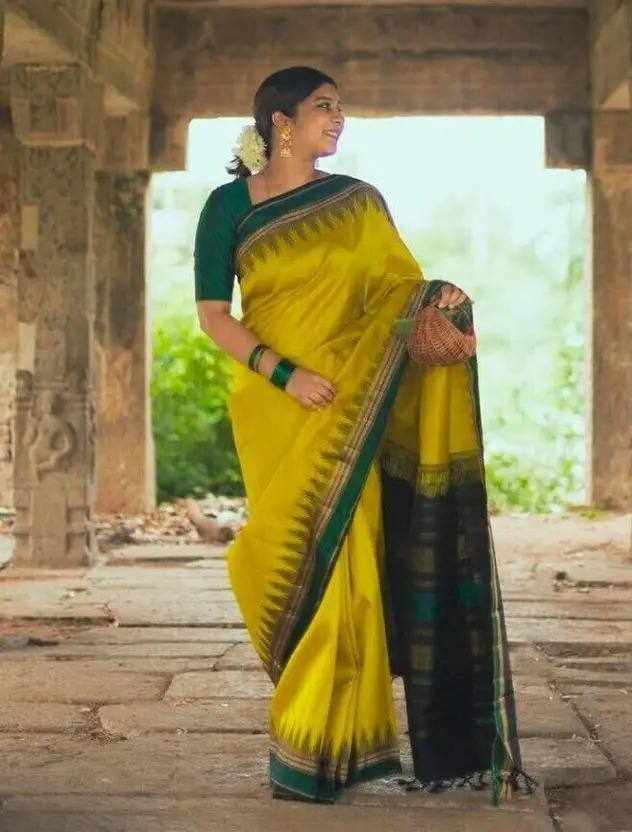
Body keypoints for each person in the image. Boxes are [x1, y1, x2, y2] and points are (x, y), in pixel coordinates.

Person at [193, 65, 538, 806]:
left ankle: (317, 749)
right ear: (280, 122)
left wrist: (437, 300)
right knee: (279, 558)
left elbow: (396, 292)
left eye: (340, 108)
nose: (338, 118)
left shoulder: (358, 201)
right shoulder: (228, 207)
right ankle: (318, 736)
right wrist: (285, 374)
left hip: (351, 397)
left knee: (347, 563)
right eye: (324, 107)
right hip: (277, 403)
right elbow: (214, 316)